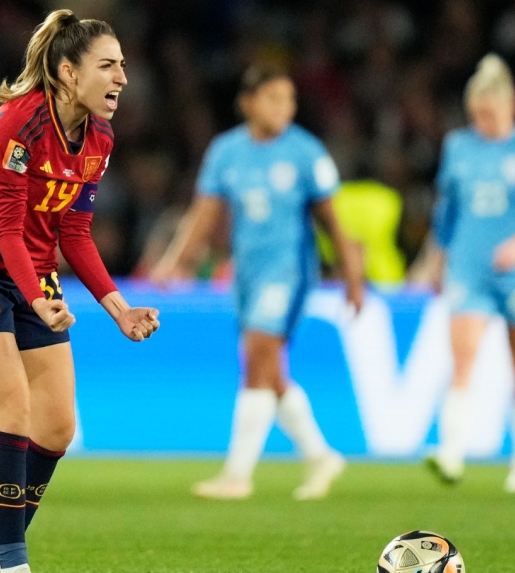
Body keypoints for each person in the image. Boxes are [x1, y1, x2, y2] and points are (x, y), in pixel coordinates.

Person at [0, 10, 160, 573]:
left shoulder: (99, 137)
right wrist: (37, 300)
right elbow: (5, 229)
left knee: (56, 427)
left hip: (35, 278)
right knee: (12, 410)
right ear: (67, 71)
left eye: (123, 66)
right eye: (108, 65)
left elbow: (74, 232)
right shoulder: (17, 125)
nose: (122, 78)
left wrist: (120, 311)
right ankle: (13, 563)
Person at [151, 65, 365, 501]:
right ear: (247, 103)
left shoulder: (306, 152)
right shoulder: (226, 151)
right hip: (247, 272)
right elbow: (204, 213)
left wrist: (352, 277)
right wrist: (176, 260)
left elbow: (332, 222)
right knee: (269, 370)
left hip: (289, 272)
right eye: (273, 98)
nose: (283, 108)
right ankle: (321, 456)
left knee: (257, 356)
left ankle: (237, 475)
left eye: (289, 99)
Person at [425, 54, 515, 493]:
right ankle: (452, 452)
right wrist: (436, 258)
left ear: (511, 107)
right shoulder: (458, 146)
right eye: (476, 114)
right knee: (462, 356)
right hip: (469, 265)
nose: (482, 122)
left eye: (490, 113)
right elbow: (448, 209)